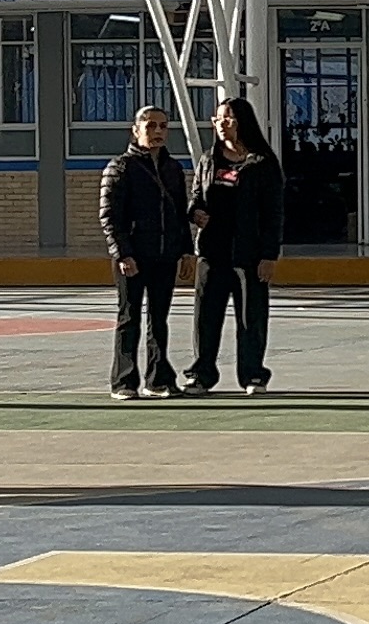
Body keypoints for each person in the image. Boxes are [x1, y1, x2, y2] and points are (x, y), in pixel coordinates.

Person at [187, 97, 283, 396]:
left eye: (228, 118)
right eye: (218, 119)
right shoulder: (208, 160)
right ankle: (201, 375)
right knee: (206, 317)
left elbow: (273, 213)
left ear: (243, 122)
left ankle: (253, 375)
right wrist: (194, 212)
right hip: (212, 253)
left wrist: (269, 254)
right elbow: (195, 196)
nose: (221, 124)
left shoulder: (262, 164)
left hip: (248, 254)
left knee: (250, 317)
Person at [102, 105, 193, 400]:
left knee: (159, 319)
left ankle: (158, 379)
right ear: (136, 130)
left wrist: (186, 251)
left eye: (163, 126)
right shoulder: (120, 168)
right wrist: (122, 254)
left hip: (165, 255)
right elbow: (110, 217)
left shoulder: (173, 169)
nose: (157, 132)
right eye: (150, 125)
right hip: (133, 256)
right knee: (129, 318)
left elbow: (180, 213)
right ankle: (124, 381)